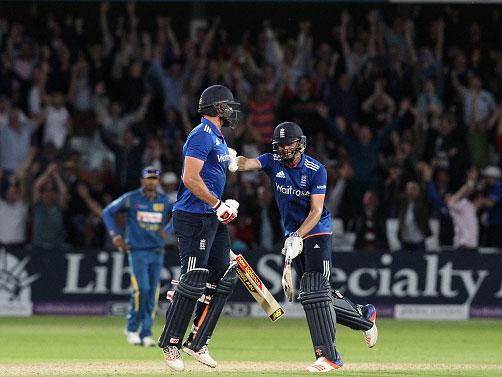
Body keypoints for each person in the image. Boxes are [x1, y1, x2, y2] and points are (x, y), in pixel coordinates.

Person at [233, 122, 378, 372]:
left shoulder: (315, 170)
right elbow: (248, 163)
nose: (285, 149)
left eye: (289, 143)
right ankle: (364, 315)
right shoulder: (272, 161)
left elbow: (317, 210)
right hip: (294, 234)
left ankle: (330, 357)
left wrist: (298, 235)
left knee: (313, 291)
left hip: (317, 230)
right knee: (314, 295)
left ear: (300, 144)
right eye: (280, 145)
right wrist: (231, 159)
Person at [157, 85, 241, 372]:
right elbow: (190, 178)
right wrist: (219, 204)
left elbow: (213, 174)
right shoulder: (200, 135)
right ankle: (171, 343)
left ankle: (198, 341)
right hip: (193, 216)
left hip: (212, 217)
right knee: (193, 279)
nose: (232, 111)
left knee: (225, 278)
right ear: (218, 109)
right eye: (228, 106)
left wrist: (224, 201)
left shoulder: (216, 139)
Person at [103, 166, 171, 347]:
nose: (151, 182)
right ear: (142, 181)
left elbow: (178, 214)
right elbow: (107, 212)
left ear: (158, 182)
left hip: (157, 252)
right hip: (138, 251)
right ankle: (132, 329)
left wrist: (168, 229)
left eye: (154, 179)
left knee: (153, 293)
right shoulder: (131, 199)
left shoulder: (164, 201)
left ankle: (146, 333)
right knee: (142, 290)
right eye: (148, 178)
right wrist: (116, 236)